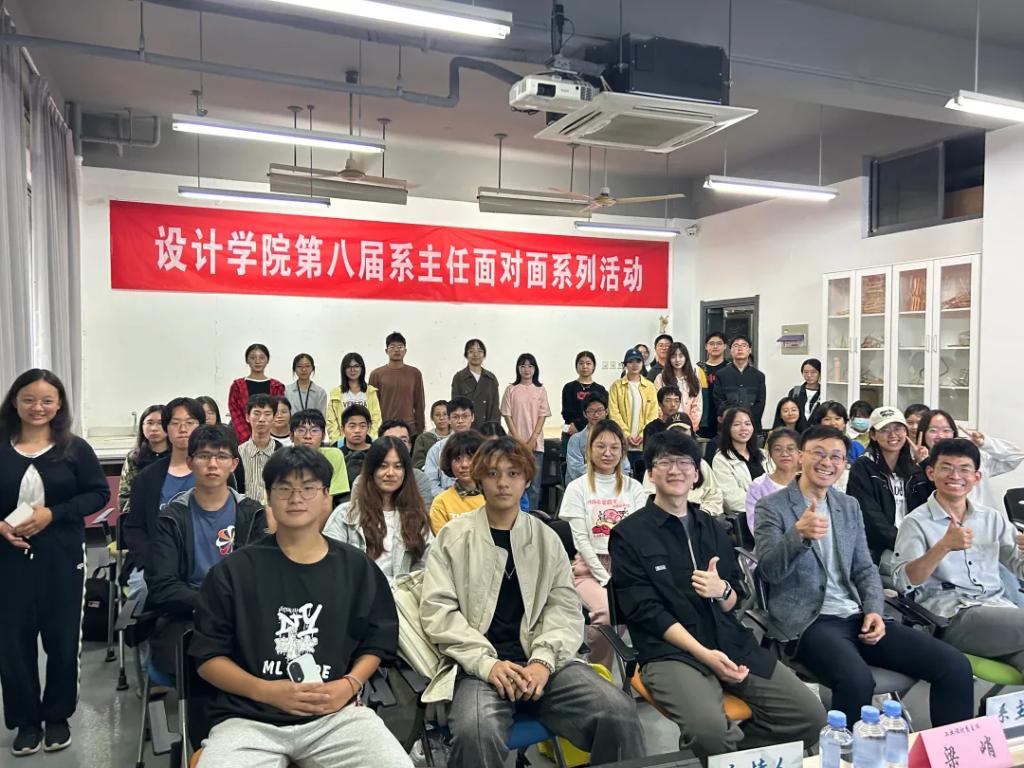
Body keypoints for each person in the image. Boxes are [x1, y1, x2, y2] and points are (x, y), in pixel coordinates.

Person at [419, 436, 644, 768]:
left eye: (513, 473)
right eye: (493, 474)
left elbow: (564, 607)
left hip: (545, 663)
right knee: (475, 730)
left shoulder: (545, 538)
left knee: (619, 712)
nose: (503, 483)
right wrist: (487, 664)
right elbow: (439, 612)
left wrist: (542, 661)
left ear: (526, 479)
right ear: (479, 479)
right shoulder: (453, 538)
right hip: (478, 669)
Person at [189, 447, 411, 768]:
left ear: (326, 495)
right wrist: (266, 691)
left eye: (308, 488)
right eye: (284, 488)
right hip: (248, 717)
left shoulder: (356, 568)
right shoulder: (232, 572)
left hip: (336, 716)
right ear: (268, 496)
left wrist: (349, 684)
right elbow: (207, 658)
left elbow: (377, 641)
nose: (296, 498)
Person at [610, 429, 824, 760]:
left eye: (685, 462)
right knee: (709, 731)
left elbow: (736, 595)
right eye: (664, 462)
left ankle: (732, 757)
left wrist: (721, 590)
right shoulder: (629, 535)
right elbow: (646, 612)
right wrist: (705, 655)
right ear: (650, 473)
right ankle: (721, 753)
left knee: (810, 716)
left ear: (696, 473)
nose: (675, 470)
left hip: (730, 641)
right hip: (670, 653)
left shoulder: (711, 527)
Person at [753, 425, 974, 729]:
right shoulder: (772, 506)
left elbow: (865, 568)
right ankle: (846, 752)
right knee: (857, 680)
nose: (827, 462)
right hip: (810, 621)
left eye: (836, 456)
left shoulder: (848, 506)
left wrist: (874, 610)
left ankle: (952, 751)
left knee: (954, 664)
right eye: (818, 453)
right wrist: (798, 536)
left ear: (845, 463)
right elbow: (768, 571)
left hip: (857, 615)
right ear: (801, 456)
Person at [0, 369, 110, 755]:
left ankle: (57, 716)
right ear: (14, 402)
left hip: (62, 558)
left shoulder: (74, 449)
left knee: (63, 642)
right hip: (8, 561)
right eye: (29, 399)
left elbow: (98, 494)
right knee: (13, 643)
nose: (38, 407)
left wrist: (54, 514)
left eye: (47, 400)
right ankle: (25, 721)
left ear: (60, 404)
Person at [893, 438, 1024, 673]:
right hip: (951, 617)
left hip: (999, 610)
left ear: (977, 477)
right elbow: (904, 582)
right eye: (946, 468)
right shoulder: (916, 522)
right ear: (931, 472)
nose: (955, 476)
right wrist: (943, 546)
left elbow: (1019, 569)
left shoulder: (991, 518)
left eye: (964, 469)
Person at [146, 425, 266, 676]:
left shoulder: (252, 513)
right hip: (188, 614)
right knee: (195, 664)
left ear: (234, 464)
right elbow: (162, 585)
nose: (213, 464)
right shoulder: (171, 518)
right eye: (204, 456)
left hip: (241, 614)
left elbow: (261, 576)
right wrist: (212, 604)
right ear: (190, 462)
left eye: (221, 456)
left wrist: (235, 607)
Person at [560, 421, 647, 667]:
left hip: (627, 567)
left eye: (614, 447)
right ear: (589, 450)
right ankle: (600, 671)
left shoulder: (634, 488)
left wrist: (627, 575)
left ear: (623, 451)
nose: (607, 453)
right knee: (607, 612)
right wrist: (606, 578)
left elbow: (640, 537)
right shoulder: (577, 488)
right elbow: (581, 541)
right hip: (589, 570)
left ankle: (649, 674)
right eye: (600, 446)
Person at [124, 397, 205, 628]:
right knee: (142, 591)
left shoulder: (214, 473)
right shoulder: (147, 478)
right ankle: (147, 649)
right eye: (175, 423)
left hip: (204, 560)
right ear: (167, 429)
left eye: (190, 422)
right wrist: (155, 562)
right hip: (156, 560)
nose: (183, 429)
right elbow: (134, 528)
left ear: (201, 427)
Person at [323, 437, 432, 586]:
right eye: (383, 466)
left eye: (398, 466)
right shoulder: (345, 515)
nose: (390, 473)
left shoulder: (417, 518)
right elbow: (329, 563)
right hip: (356, 594)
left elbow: (427, 567)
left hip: (402, 596)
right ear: (371, 470)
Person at [846, 407, 927, 564]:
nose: (893, 435)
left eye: (898, 428)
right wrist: (903, 544)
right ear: (873, 435)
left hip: (916, 545)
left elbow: (928, 504)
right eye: (884, 430)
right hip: (880, 549)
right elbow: (870, 516)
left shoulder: (914, 470)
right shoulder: (863, 467)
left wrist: (924, 462)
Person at [908, 409, 1024, 511]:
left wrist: (985, 443)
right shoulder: (918, 468)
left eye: (946, 430)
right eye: (933, 430)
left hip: (984, 523)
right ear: (923, 433)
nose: (941, 436)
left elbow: (1015, 457)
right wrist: (924, 462)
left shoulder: (975, 457)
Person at [641, 414, 724, 518]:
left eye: (684, 431)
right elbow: (647, 496)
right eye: (674, 431)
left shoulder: (701, 464)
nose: (679, 436)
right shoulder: (657, 464)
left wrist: (701, 514)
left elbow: (715, 495)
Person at [500, 354, 552, 510]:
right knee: (514, 481)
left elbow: (542, 415)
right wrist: (518, 440)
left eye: (530, 366)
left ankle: (532, 517)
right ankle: (513, 514)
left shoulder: (540, 390)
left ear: (535, 369)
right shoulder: (511, 389)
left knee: (534, 484)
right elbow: (507, 415)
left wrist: (533, 439)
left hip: (535, 445)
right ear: (518, 369)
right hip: (514, 445)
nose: (526, 369)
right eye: (523, 366)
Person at [349, 420, 433, 509]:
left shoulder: (420, 479)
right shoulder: (361, 482)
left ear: (410, 446)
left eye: (403, 440)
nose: (396, 445)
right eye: (390, 440)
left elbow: (424, 513)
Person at [608, 347, 658, 480]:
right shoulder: (616, 386)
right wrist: (626, 434)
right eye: (631, 361)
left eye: (638, 361)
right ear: (625, 364)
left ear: (642, 363)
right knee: (623, 477)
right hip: (622, 441)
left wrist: (643, 434)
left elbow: (653, 414)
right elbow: (614, 413)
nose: (635, 364)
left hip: (643, 443)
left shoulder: (650, 386)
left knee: (642, 477)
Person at [712, 407, 771, 516]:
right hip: (746, 516)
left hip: (773, 512)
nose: (744, 428)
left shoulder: (764, 455)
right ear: (727, 428)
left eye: (747, 424)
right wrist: (767, 506)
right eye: (737, 424)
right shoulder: (721, 459)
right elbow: (732, 499)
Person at [428, 430, 486, 534]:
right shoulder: (441, 503)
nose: (464, 464)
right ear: (449, 462)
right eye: (458, 458)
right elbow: (442, 541)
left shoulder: (495, 498)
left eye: (471, 458)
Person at [745, 428, 801, 536]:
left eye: (790, 449)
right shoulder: (758, 487)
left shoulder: (809, 484)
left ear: (800, 453)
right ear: (770, 454)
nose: (784, 454)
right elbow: (756, 528)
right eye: (778, 449)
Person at [369, 332, 426, 437]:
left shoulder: (415, 373)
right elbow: (372, 406)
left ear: (405, 351)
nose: (396, 350)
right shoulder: (376, 374)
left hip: (410, 429)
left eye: (400, 347)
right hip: (385, 429)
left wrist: (420, 429)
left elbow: (419, 404)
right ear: (386, 351)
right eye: (392, 347)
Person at [227, 343, 285, 444]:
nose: (257, 361)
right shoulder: (237, 386)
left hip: (270, 437)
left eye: (262, 358)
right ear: (247, 360)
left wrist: (268, 435)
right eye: (253, 358)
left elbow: (278, 412)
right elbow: (235, 413)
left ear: (267, 360)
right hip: (242, 437)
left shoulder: (277, 386)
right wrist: (247, 437)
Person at [566, 394, 631, 483]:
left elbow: (625, 468)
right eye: (591, 411)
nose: (596, 415)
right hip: (585, 485)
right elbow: (576, 471)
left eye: (600, 410)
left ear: (606, 411)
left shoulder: (616, 437)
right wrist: (604, 474)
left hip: (614, 485)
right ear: (585, 414)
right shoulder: (576, 440)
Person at [288, 409, 350, 501]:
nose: (308, 436)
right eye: (301, 430)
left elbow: (338, 495)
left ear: (323, 436)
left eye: (314, 430)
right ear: (291, 436)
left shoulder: (334, 455)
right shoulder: (282, 459)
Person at [118, 404, 169, 513]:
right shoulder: (134, 457)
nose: (154, 428)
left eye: (160, 423)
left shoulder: (178, 456)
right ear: (142, 426)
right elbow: (124, 496)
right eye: (149, 423)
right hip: (141, 515)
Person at [711, 335, 767, 431]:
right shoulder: (721, 374)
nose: (740, 348)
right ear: (731, 351)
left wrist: (747, 422)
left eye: (744, 345)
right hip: (728, 427)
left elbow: (760, 403)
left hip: (752, 427)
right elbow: (719, 401)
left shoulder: (759, 376)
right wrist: (734, 420)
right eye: (736, 345)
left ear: (750, 350)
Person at [423, 397, 476, 497]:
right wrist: (450, 499)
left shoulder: (482, 446)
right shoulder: (437, 449)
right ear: (448, 419)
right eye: (455, 417)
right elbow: (430, 483)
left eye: (465, 416)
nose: (460, 421)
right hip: (446, 501)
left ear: (472, 417)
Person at [326, 352, 382, 445]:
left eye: (356, 366)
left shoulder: (370, 392)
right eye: (349, 367)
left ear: (362, 368)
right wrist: (337, 441)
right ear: (344, 369)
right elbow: (331, 421)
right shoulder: (336, 393)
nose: (353, 370)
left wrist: (371, 439)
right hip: (343, 443)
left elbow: (376, 419)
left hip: (367, 443)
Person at [234, 395, 279, 506]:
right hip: (244, 512)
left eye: (267, 414)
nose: (261, 419)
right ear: (247, 417)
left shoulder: (282, 454)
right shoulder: (237, 454)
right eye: (257, 413)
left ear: (274, 417)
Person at [560, 351, 608, 451]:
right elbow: (567, 412)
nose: (584, 366)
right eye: (581, 363)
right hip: (573, 431)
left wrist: (581, 425)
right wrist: (577, 426)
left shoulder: (600, 389)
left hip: (595, 432)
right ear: (576, 366)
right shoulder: (569, 387)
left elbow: (602, 413)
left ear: (594, 366)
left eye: (588, 363)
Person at [450, 338, 500, 430]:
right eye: (471, 351)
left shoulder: (491, 379)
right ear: (466, 355)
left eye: (479, 351)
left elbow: (495, 409)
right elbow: (455, 408)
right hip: (466, 430)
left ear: (484, 355)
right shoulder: (459, 378)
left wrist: (494, 431)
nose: (475, 354)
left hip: (487, 431)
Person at [653, 342, 704, 426]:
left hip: (688, 426)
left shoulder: (694, 380)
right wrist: (664, 423)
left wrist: (691, 426)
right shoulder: (661, 378)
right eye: (673, 356)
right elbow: (657, 404)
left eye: (681, 356)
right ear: (669, 359)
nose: (677, 360)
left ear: (686, 358)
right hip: (666, 425)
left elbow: (697, 406)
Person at [808, 401, 865, 465]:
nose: (833, 423)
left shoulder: (855, 447)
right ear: (819, 423)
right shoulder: (811, 446)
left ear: (844, 423)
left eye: (837, 419)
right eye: (827, 419)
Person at [697, 332, 729, 440]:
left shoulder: (730, 368)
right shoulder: (698, 368)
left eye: (719, 343)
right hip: (703, 417)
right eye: (711, 343)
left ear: (725, 346)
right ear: (706, 346)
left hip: (724, 416)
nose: (715, 346)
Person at [338, 404, 374, 485]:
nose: (357, 430)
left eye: (362, 426)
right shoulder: (338, 454)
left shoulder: (376, 452)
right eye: (352, 426)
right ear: (343, 429)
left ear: (368, 428)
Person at [285, 353, 328, 418]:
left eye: (307, 366)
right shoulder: (287, 391)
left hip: (314, 424)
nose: (304, 369)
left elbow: (321, 417)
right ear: (294, 369)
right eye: (299, 366)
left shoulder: (320, 392)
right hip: (292, 424)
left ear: (313, 368)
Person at [411, 400, 449, 470]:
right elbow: (417, 464)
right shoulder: (423, 438)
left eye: (445, 414)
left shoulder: (456, 437)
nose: (441, 418)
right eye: (437, 415)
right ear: (432, 418)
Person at [788, 358, 822, 423]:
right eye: (806, 372)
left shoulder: (824, 392)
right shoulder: (796, 390)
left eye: (813, 372)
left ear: (820, 373)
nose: (809, 375)